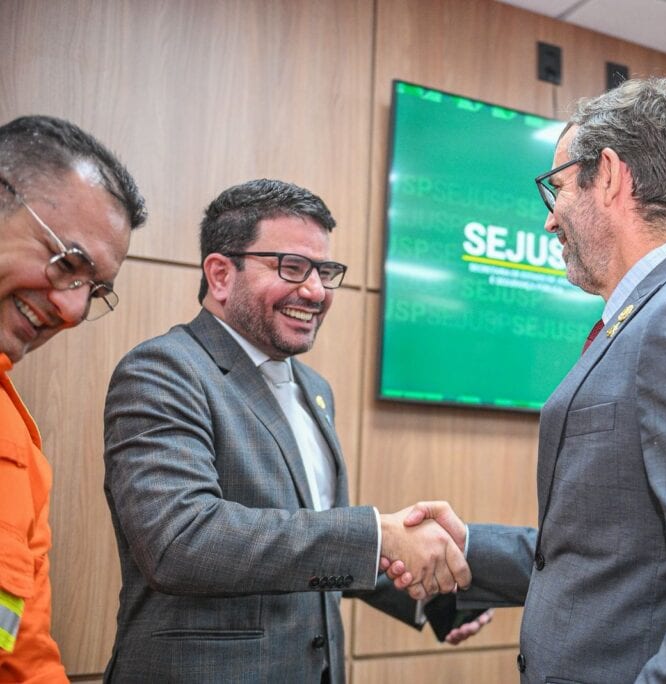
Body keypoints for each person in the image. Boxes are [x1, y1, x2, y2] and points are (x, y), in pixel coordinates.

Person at [387, 77, 666, 682]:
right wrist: (469, 548)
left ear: (612, 175)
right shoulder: (652, 315)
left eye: (559, 188)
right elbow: (624, 553)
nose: (550, 221)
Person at [102, 179, 471, 682]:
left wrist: (431, 597)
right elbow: (181, 540)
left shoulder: (315, 389)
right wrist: (376, 535)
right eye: (292, 268)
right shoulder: (163, 371)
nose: (316, 291)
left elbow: (314, 549)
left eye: (325, 271)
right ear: (221, 274)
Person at [0, 115, 147, 682]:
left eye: (94, 290)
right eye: (68, 263)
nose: (72, 310)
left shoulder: (17, 447)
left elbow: (21, 651)